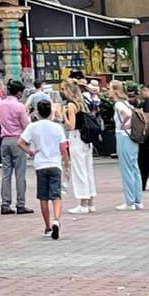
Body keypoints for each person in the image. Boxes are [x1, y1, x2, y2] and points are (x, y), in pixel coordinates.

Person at [27, 96, 67, 240]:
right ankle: (56, 219)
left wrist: (30, 152)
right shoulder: (57, 127)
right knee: (56, 195)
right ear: (51, 112)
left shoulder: (33, 127)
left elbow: (20, 142)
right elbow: (63, 147)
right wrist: (66, 163)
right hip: (55, 163)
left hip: (40, 164)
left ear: (38, 112)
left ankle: (47, 226)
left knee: (43, 197)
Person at [0, 78, 31, 215]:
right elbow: (26, 125)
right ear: (19, 93)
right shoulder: (19, 106)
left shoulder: (1, 104)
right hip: (17, 140)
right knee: (20, 174)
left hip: (5, 140)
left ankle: (5, 204)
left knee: (6, 174)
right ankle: (20, 204)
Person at [65, 84, 98, 216]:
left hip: (76, 137)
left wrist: (63, 116)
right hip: (86, 139)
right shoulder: (82, 103)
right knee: (88, 170)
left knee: (79, 170)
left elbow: (71, 125)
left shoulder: (71, 105)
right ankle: (90, 202)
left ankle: (82, 203)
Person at [113, 85, 145, 209]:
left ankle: (129, 201)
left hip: (123, 136)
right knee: (134, 168)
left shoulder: (118, 104)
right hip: (133, 137)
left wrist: (123, 125)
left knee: (126, 169)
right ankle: (138, 200)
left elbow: (126, 115)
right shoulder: (128, 104)